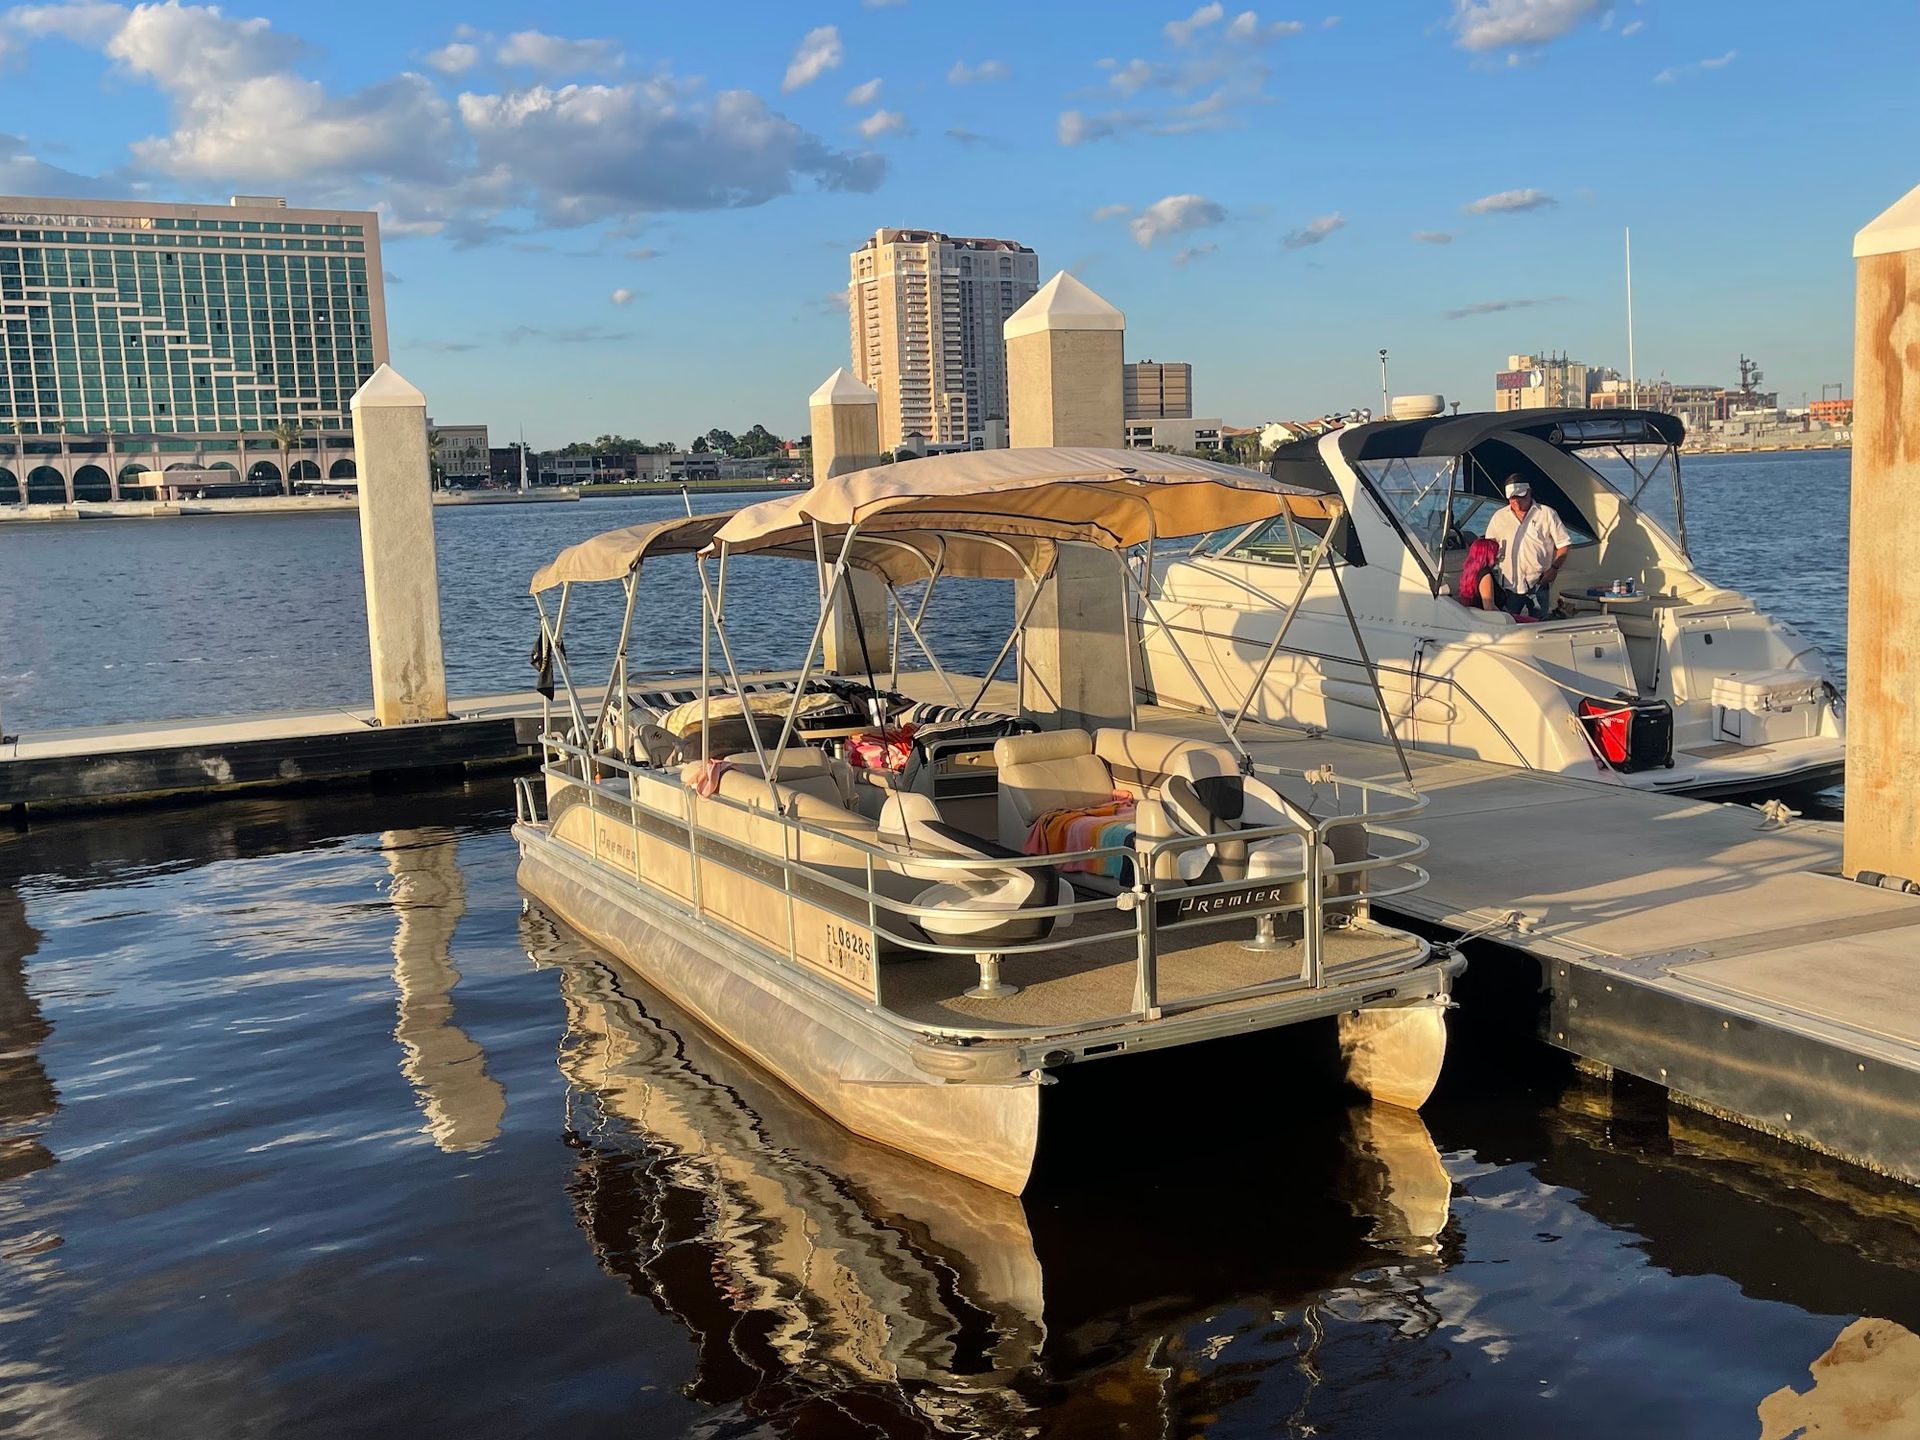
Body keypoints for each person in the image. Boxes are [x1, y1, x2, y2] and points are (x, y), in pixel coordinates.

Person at [1483, 476, 1570, 618]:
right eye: (1512, 498)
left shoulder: (1546, 514)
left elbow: (1564, 544)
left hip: (1539, 581)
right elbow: (1488, 546)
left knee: (1540, 623)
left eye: (1521, 497)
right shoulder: (1499, 517)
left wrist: (1554, 569)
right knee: (1508, 622)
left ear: (1529, 492)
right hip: (1509, 585)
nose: (1516, 502)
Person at [1455, 536, 1507, 612]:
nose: (1497, 556)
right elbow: (1489, 607)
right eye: (1495, 553)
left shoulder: (1469, 572)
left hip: (1475, 614)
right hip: (1494, 619)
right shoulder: (1485, 576)